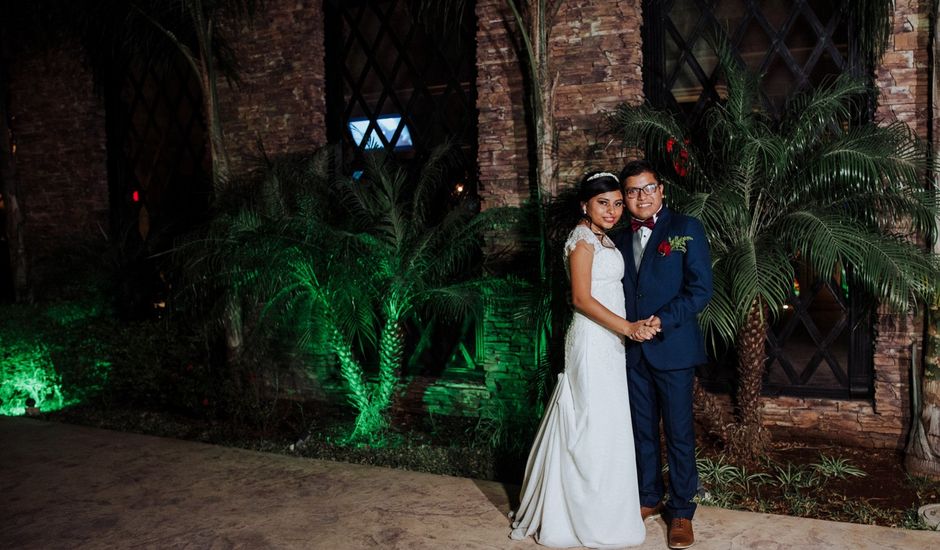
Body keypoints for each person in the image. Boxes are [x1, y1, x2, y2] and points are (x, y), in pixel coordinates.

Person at [510, 171, 656, 548]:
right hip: (592, 342)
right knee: (590, 421)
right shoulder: (581, 241)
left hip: (610, 343)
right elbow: (581, 299)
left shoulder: (603, 239)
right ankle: (581, 514)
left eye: (617, 203)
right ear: (585, 205)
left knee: (608, 423)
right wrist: (627, 327)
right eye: (603, 203)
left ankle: (608, 510)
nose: (612, 211)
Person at [612, 160, 712, 549]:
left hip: (672, 349)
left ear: (662, 190)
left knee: (679, 433)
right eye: (633, 191)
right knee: (642, 431)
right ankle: (648, 497)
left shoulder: (685, 228)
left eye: (648, 188)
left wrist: (659, 321)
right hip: (633, 351)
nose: (641, 197)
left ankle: (683, 510)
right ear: (625, 198)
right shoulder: (618, 239)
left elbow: (700, 289)